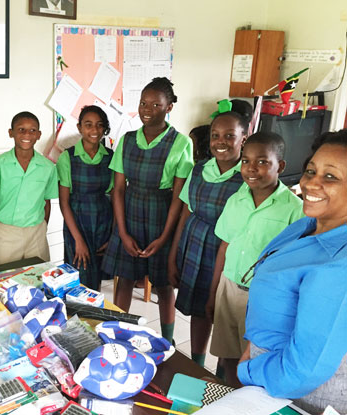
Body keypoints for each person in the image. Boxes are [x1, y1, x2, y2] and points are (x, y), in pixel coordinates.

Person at [238, 130, 347, 414]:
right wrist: (251, 349)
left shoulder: (340, 264)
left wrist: (247, 371)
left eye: (330, 177)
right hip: (267, 367)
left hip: (300, 395)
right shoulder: (306, 225)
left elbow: (305, 369)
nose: (312, 182)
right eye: (311, 170)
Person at [206, 132, 304, 387]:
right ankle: (229, 393)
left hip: (264, 298)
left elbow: (296, 266)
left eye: (262, 162)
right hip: (228, 287)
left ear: (280, 166)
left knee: (255, 359)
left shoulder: (295, 209)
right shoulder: (236, 200)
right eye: (246, 161)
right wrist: (213, 291)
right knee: (227, 353)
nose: (251, 168)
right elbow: (224, 247)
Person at [103, 77, 193, 344]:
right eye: (143, 103)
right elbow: (118, 189)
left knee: (164, 284)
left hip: (162, 215)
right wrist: (122, 231)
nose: (147, 109)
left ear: (169, 108)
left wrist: (164, 237)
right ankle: (119, 335)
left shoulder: (181, 143)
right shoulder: (127, 140)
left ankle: (167, 340)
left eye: (156, 104)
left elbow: (179, 197)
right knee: (125, 279)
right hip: (129, 214)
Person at [168, 105, 246, 367]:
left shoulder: (248, 177)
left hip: (230, 252)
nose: (220, 142)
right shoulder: (200, 169)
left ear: (243, 139)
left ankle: (224, 373)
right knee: (199, 310)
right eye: (215, 135)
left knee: (225, 315)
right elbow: (186, 213)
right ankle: (197, 363)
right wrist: (173, 255)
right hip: (195, 245)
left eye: (229, 136)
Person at [0, 111, 58, 265]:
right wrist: (7, 213)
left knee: (39, 277)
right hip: (6, 232)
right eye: (21, 129)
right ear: (11, 133)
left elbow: (46, 201)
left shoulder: (48, 167)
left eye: (32, 130)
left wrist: (42, 225)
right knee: (5, 280)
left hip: (36, 231)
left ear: (39, 134)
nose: (27, 134)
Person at [57, 105, 113, 291]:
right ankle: (76, 317)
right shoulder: (68, 157)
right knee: (78, 276)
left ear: (105, 128)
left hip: (102, 223)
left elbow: (114, 196)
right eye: (88, 125)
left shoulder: (110, 157)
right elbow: (64, 203)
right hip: (77, 223)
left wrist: (112, 233)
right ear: (79, 127)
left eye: (99, 125)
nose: (94, 130)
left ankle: (94, 316)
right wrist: (78, 240)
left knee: (96, 277)